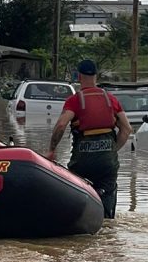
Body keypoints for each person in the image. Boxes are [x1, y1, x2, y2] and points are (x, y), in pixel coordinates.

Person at [45, 59, 132, 219]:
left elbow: (60, 126)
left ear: (78, 76)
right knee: (107, 214)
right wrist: (112, 150)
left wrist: (52, 150)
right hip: (107, 163)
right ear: (96, 76)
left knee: (76, 202)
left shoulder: (75, 100)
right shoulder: (111, 99)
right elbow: (126, 129)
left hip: (82, 163)